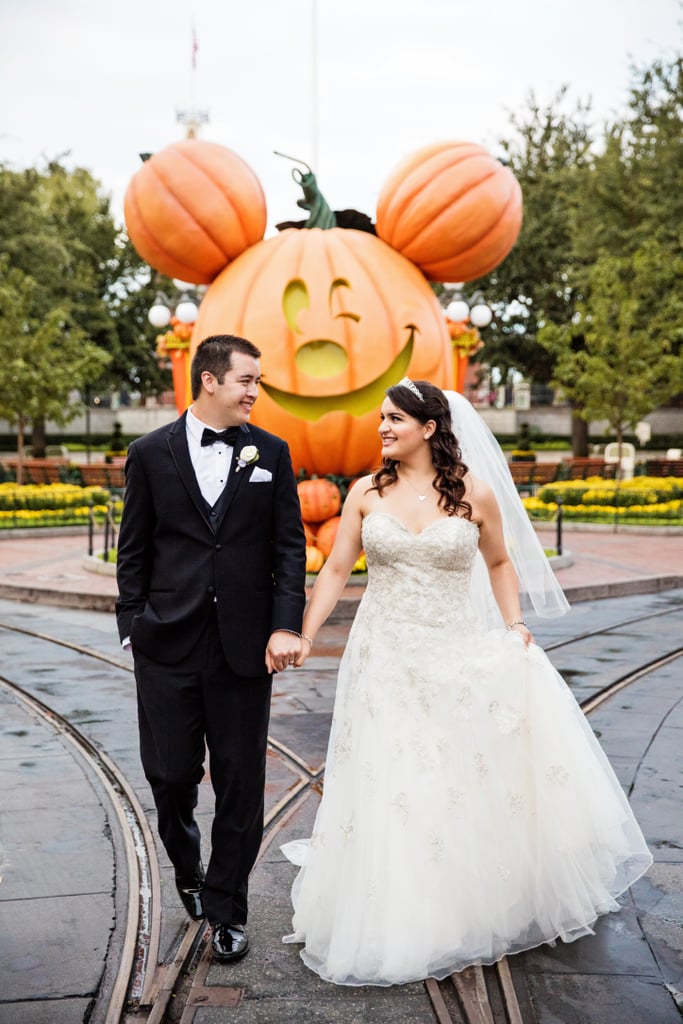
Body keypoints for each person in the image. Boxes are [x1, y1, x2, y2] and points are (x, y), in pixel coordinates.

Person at [281, 377, 652, 987]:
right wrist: (305, 632)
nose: (382, 429)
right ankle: (391, 905)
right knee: (391, 771)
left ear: (428, 428)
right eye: (381, 419)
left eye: (394, 419)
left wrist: (515, 625)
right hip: (385, 654)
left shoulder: (473, 493)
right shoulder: (365, 494)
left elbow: (501, 562)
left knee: (448, 771)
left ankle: (459, 899)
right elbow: (337, 569)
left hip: (453, 649)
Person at [116, 334, 307, 964]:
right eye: (248, 380)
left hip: (245, 649)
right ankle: (187, 864)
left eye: (258, 381)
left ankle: (227, 906)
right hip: (166, 643)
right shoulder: (149, 454)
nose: (256, 391)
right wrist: (132, 623)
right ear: (210, 381)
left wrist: (285, 625)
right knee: (169, 776)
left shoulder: (273, 454)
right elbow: (134, 549)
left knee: (240, 782)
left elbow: (287, 547)